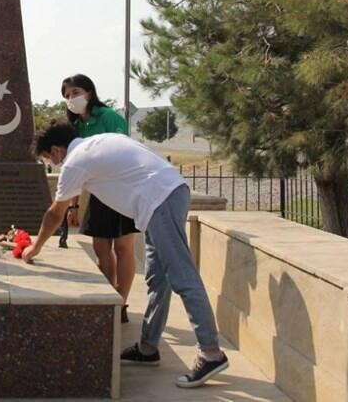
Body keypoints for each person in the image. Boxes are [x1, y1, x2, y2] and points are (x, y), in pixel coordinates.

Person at [24, 123, 229, 389]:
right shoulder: (100, 140)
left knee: (182, 276)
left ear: (56, 150)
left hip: (159, 200)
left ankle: (211, 353)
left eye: (49, 160)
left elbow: (55, 213)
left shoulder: (74, 161)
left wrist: (34, 247)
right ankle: (148, 347)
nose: (54, 165)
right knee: (158, 280)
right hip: (167, 194)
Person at [60, 74, 137, 323]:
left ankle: (121, 302)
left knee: (123, 248)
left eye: (76, 92)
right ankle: (108, 298)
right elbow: (76, 168)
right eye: (68, 95)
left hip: (122, 188)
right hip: (99, 192)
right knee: (100, 248)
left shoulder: (108, 117)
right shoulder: (77, 127)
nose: (72, 98)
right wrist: (74, 205)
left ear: (89, 92)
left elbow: (123, 152)